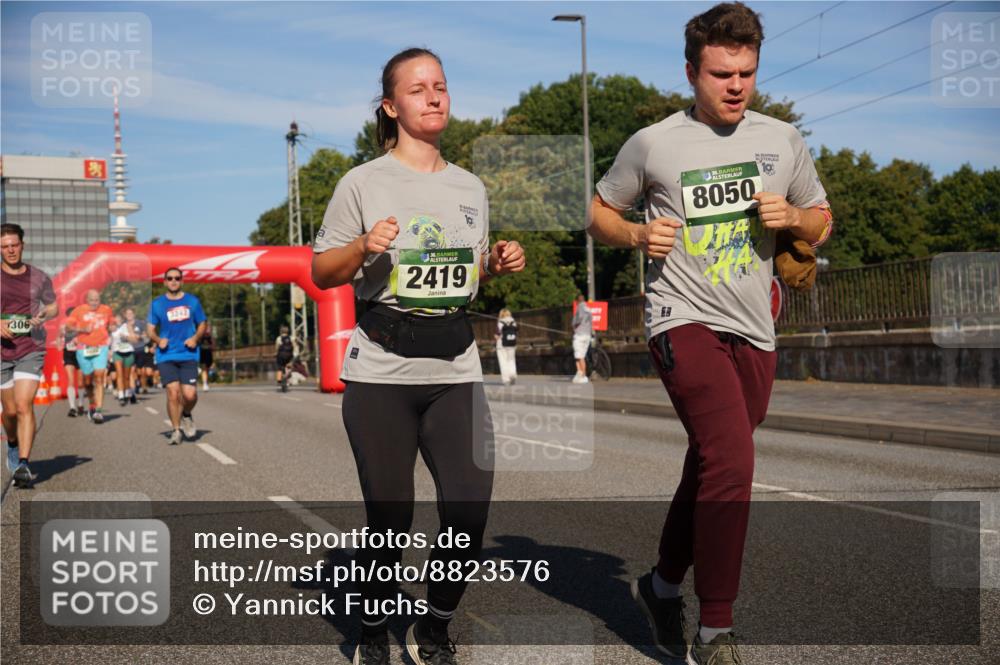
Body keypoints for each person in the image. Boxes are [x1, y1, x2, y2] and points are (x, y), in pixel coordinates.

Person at [588, 4, 834, 663]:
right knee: (732, 456)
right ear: (692, 71)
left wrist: (799, 221)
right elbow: (599, 211)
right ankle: (715, 630)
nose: (736, 85)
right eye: (722, 73)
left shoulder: (782, 141)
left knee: (713, 459)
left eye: (747, 73)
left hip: (755, 326)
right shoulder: (655, 142)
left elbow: (822, 219)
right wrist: (638, 233)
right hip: (681, 315)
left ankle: (662, 585)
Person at [311, 47, 525, 665]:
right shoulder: (363, 181)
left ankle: (433, 625)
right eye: (417, 89)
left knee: (468, 512)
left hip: (455, 367)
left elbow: (467, 276)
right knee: (391, 519)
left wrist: (497, 261)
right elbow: (323, 271)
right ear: (391, 105)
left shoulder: (469, 187)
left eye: (441, 86)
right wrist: (362, 245)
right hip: (381, 370)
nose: (433, 97)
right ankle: (374, 634)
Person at [1, 223, 58, 488]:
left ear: (23, 245)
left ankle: (23, 463)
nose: (10, 250)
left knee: (24, 405)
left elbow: (54, 306)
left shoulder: (38, 277)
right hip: (1, 352)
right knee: (9, 411)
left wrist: (43, 315)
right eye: (4, 246)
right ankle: (12, 443)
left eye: (14, 244)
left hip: (30, 348)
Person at [147, 267, 206, 445]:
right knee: (172, 393)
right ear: (165, 282)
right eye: (170, 278)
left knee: (189, 395)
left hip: (188, 353)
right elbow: (149, 329)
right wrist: (158, 339)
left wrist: (195, 337)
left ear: (182, 281)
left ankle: (186, 414)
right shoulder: (157, 304)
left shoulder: (192, 302)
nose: (173, 281)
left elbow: (202, 323)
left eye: (177, 278)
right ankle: (176, 430)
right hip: (167, 355)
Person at [67, 289, 114, 424]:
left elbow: (111, 323)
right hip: (83, 348)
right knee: (87, 381)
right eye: (92, 300)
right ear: (87, 300)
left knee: (99, 378)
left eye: (97, 300)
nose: (95, 303)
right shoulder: (78, 311)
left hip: (101, 347)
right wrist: (81, 330)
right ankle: (92, 404)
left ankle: (98, 411)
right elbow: (69, 327)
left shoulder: (106, 309)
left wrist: (113, 327)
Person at [111, 311, 140, 406]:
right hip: (117, 353)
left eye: (118, 320)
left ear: (122, 320)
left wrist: (126, 337)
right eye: (115, 320)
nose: (117, 321)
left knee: (127, 376)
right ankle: (121, 396)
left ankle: (128, 393)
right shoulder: (111, 328)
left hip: (128, 352)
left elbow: (135, 340)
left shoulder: (127, 326)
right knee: (119, 374)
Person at [59, 307, 82, 417]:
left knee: (81, 382)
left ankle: (81, 403)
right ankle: (72, 407)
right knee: (71, 380)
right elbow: (59, 337)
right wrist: (59, 344)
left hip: (81, 354)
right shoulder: (63, 327)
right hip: (68, 353)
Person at [571, 294, 593, 384]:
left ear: (577, 301)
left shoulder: (580, 307)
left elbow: (578, 319)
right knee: (581, 356)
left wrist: (574, 324)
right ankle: (580, 374)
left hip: (579, 335)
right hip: (587, 335)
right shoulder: (588, 309)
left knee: (579, 357)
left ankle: (583, 375)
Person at [494, 308, 518, 386]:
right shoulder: (513, 322)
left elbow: (497, 334)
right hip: (512, 343)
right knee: (511, 360)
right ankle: (512, 374)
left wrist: (496, 336)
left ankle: (506, 379)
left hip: (501, 344)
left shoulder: (500, 322)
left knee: (503, 361)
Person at [274, 324, 297, 390]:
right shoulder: (291, 338)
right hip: (289, 356)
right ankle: (288, 376)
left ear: (281, 331)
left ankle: (279, 380)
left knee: (280, 367)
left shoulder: (278, 338)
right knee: (289, 366)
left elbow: (277, 348)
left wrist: (276, 353)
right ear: (287, 331)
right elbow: (295, 346)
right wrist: (295, 353)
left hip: (281, 356)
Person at [199, 321, 215, 390]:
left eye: (208, 328)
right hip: (202, 353)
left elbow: (214, 347)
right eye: (206, 328)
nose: (207, 329)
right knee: (204, 368)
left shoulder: (210, 337)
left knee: (207, 369)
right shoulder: (200, 336)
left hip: (209, 353)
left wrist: (211, 339)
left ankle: (206, 382)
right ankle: (205, 383)